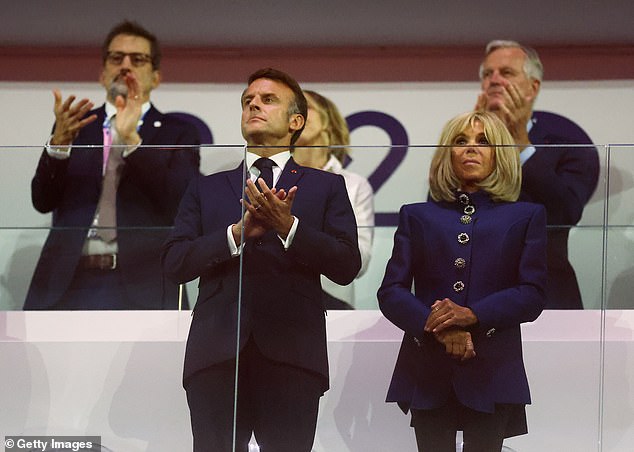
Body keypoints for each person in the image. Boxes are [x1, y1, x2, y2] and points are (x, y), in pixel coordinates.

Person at [162, 68, 361, 452]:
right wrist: (235, 235)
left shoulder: (326, 186)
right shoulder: (206, 188)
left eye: (268, 99)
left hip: (293, 353)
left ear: (296, 121)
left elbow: (346, 264)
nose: (253, 103)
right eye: (248, 100)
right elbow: (174, 263)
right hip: (216, 352)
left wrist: (289, 227)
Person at [378, 111, 547, 451]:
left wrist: (472, 315)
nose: (471, 148)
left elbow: (532, 293)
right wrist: (439, 326)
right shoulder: (417, 215)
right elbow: (392, 291)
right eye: (461, 141)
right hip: (428, 364)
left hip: (494, 364)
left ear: (501, 153)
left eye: (483, 141)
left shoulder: (526, 215)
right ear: (447, 153)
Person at [24, 20, 200, 310]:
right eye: (116, 58)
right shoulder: (76, 126)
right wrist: (58, 146)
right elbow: (42, 201)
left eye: (138, 59)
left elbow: (180, 202)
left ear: (156, 77)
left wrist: (131, 139)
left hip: (145, 282)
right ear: (102, 74)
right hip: (66, 283)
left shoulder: (177, 132)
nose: (125, 65)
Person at [475, 39, 600, 309]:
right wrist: (476, 141)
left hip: (547, 297)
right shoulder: (467, 150)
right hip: (474, 299)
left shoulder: (567, 148)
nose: (494, 81)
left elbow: (565, 212)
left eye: (506, 73)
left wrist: (519, 142)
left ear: (533, 87)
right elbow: (441, 209)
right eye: (487, 74)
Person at [293, 90, 374, 309]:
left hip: (334, 311)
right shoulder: (268, 178)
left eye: (305, 107)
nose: (296, 115)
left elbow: (360, 261)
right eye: (291, 109)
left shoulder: (354, 185)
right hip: (277, 302)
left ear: (327, 121)